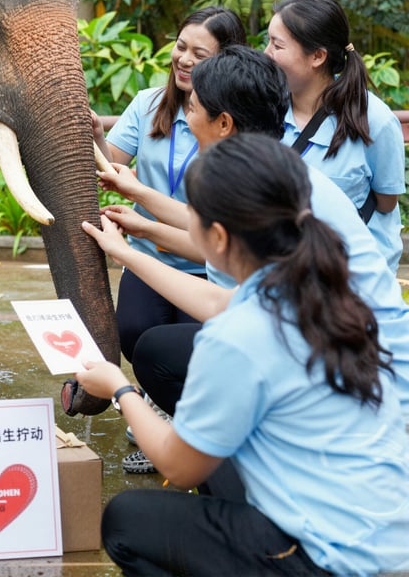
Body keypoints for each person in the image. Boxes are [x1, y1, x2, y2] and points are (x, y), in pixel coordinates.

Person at [76, 133, 409, 576]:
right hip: (390, 536)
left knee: (126, 519)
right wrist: (125, 248)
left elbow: (179, 465)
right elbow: (221, 304)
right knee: (224, 453)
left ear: (216, 237)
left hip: (332, 558)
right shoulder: (326, 289)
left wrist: (119, 390)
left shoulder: (236, 335)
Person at [81, 46, 409, 478]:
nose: (186, 114)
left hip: (351, 366)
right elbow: (209, 236)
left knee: (163, 357)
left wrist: (120, 389)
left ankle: (238, 462)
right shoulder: (274, 171)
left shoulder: (267, 192)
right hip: (339, 349)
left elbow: (220, 301)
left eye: (193, 108)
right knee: (164, 346)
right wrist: (141, 211)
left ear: (223, 123)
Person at [92, 7, 246, 364]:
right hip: (148, 256)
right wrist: (97, 135)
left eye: (200, 54)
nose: (185, 60)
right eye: (181, 47)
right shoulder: (147, 104)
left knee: (198, 349)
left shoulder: (235, 125)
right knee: (132, 332)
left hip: (206, 266)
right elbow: (112, 168)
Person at [266, 0, 405, 272]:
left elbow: (386, 202)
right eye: (267, 41)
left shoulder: (373, 119)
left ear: (317, 56)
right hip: (285, 271)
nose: (266, 53)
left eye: (277, 45)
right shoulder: (266, 107)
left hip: (352, 277)